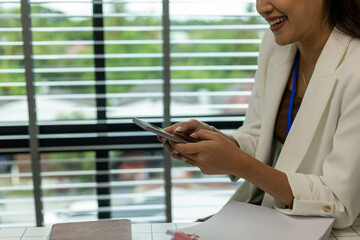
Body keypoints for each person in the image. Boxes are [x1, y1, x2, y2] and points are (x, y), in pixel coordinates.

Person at [158, 0, 360, 229]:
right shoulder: (275, 45)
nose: (261, 7)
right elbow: (258, 136)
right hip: (265, 216)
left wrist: (240, 164)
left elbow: (338, 203)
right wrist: (222, 143)